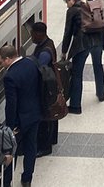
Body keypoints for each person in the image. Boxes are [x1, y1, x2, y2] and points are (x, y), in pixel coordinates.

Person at [0, 43, 43, 186]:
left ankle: (6, 182)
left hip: (20, 121)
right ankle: (27, 178)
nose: (1, 65)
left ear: (7, 59)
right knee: (31, 147)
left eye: (1, 62)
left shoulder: (10, 76)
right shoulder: (31, 62)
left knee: (11, 151)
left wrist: (10, 127)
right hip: (35, 113)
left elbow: (11, 105)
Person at [62, 0, 104, 113]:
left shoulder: (72, 11)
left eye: (67, 2)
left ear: (72, 0)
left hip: (82, 44)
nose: (67, 5)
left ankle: (75, 106)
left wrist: (64, 51)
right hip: (98, 40)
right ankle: (101, 93)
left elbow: (68, 32)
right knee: (98, 66)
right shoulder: (90, 7)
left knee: (77, 73)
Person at [27, 21, 61, 157]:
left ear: (39, 34)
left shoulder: (44, 53)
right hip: (52, 86)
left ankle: (45, 147)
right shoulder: (48, 43)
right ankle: (52, 140)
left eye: (32, 34)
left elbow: (39, 69)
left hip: (46, 88)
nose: (31, 37)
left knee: (46, 117)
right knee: (52, 115)